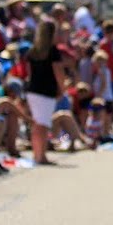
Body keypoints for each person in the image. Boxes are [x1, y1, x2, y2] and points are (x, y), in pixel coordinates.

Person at [25, 19, 70, 165]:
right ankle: (41, 156)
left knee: (37, 124)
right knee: (43, 125)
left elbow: (29, 73)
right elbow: (59, 72)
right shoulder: (53, 51)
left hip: (33, 90)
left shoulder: (33, 51)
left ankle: (36, 154)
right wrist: (62, 89)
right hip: (46, 91)